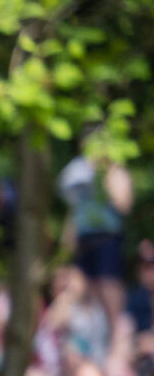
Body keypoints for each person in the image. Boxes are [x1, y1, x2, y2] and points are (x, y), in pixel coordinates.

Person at [59, 138, 134, 329]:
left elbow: (124, 205)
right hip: (84, 238)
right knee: (76, 287)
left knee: (108, 289)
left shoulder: (114, 170)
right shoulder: (80, 173)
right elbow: (75, 209)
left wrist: (106, 178)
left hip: (106, 237)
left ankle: (118, 339)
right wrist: (67, 239)